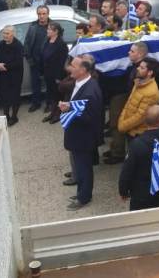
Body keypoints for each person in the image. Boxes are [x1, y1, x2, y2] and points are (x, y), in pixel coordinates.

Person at [60, 55, 104, 210]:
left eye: (73, 66)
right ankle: (81, 192)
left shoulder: (90, 92)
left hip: (83, 138)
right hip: (78, 136)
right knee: (80, 167)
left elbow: (89, 117)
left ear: (83, 70)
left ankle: (84, 197)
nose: (70, 68)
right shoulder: (81, 83)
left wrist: (68, 110)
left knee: (84, 168)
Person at [118, 105, 159, 211]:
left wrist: (123, 190)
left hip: (140, 194)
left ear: (145, 122)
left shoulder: (136, 144)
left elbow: (127, 170)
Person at [118, 57, 159, 142]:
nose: (138, 68)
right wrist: (122, 119)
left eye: (142, 68)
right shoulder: (138, 82)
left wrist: (122, 126)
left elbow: (140, 116)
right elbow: (128, 103)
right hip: (129, 129)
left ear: (150, 73)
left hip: (137, 134)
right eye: (139, 66)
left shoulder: (151, 92)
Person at [0, 26, 24, 126]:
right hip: (3, 75)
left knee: (14, 96)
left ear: (13, 34)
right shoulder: (2, 44)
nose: (5, 35)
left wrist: (4, 66)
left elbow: (18, 62)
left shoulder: (18, 46)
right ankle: (6, 115)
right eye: (4, 33)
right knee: (4, 95)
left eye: (7, 33)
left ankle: (14, 116)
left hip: (15, 75)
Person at [41, 22, 69, 123]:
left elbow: (62, 62)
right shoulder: (48, 41)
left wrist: (59, 77)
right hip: (48, 73)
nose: (47, 31)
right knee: (51, 94)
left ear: (56, 31)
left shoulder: (61, 44)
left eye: (49, 29)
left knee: (58, 95)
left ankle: (58, 114)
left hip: (57, 75)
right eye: (47, 29)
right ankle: (52, 113)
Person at [24, 5, 51, 112]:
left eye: (44, 14)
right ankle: (36, 103)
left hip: (48, 62)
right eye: (39, 14)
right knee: (35, 83)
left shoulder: (53, 26)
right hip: (34, 61)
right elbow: (26, 43)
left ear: (48, 14)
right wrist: (29, 58)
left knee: (49, 84)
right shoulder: (32, 26)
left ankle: (49, 103)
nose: (41, 16)